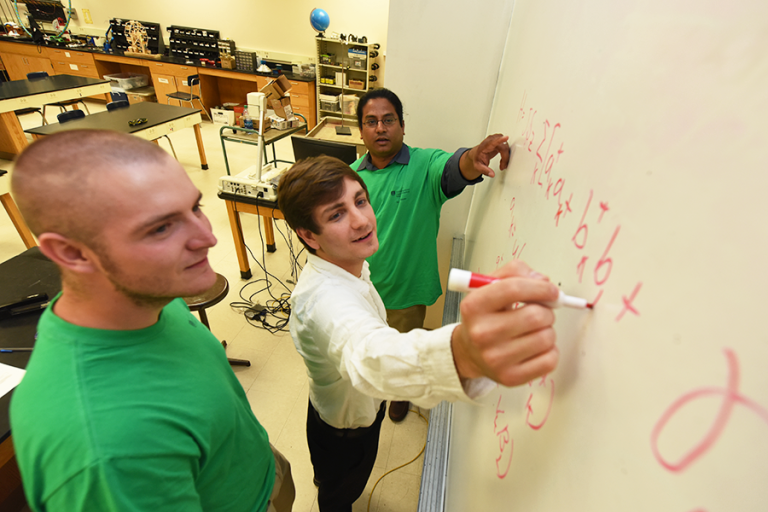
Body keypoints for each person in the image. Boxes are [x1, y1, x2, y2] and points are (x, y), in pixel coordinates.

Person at [9, 130, 295, 512]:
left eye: (194, 208)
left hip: (248, 465)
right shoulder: (108, 451)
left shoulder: (145, 294)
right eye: (161, 228)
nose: (208, 237)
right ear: (72, 252)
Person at [277, 156, 559, 512]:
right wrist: (462, 353)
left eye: (360, 201)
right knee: (338, 493)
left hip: (351, 410)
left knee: (342, 479)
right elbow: (367, 354)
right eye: (336, 214)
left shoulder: (347, 265)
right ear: (308, 235)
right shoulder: (324, 300)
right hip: (344, 430)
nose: (362, 219)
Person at [353, 88, 511, 422]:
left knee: (404, 357)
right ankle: (373, 391)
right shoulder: (351, 177)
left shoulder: (424, 166)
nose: (380, 128)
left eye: (388, 120)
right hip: (362, 291)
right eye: (371, 121)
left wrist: (474, 156)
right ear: (361, 130)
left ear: (402, 125)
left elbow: (456, 168)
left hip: (405, 295)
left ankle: (399, 397)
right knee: (368, 350)